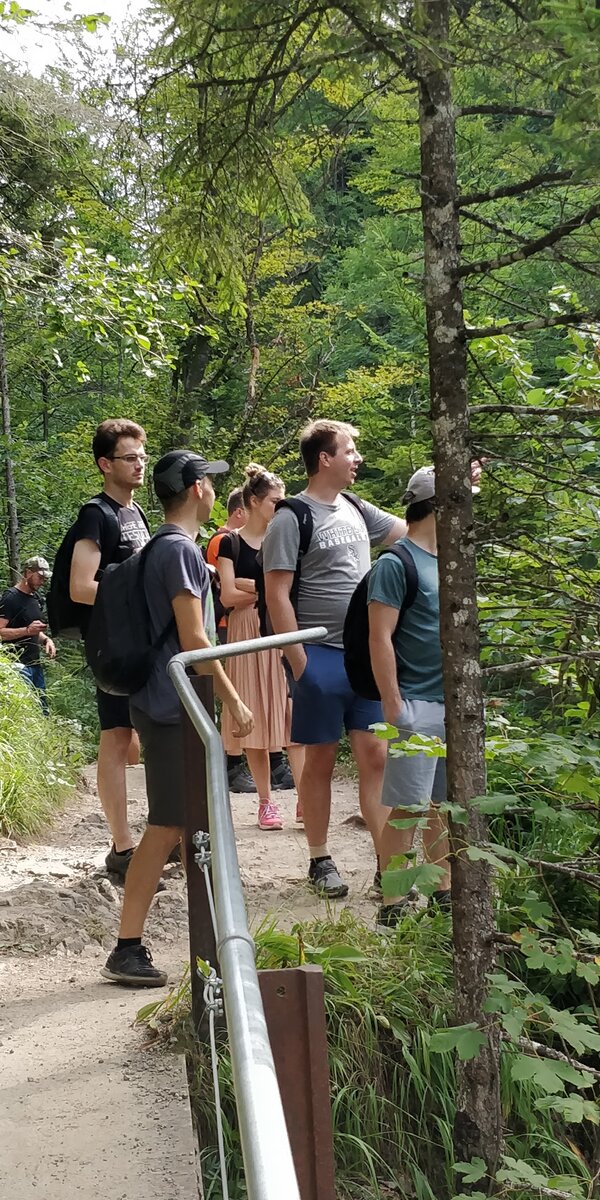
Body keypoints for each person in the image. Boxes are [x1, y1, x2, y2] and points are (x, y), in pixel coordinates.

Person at [102, 449, 253, 987]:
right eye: (208, 481)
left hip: (163, 699)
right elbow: (194, 638)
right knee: (167, 825)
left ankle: (217, 938)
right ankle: (126, 947)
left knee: (192, 823)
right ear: (195, 490)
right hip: (174, 704)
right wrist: (233, 700)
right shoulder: (180, 551)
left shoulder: (160, 547)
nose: (212, 490)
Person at [262, 419, 407, 898]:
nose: (357, 458)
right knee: (320, 759)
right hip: (318, 655)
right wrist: (299, 661)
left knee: (376, 756)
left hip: (364, 656)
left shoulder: (357, 508)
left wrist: (452, 488)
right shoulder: (291, 518)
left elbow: (413, 532)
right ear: (324, 458)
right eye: (349, 450)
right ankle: (319, 858)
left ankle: (387, 866)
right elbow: (276, 593)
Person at [368, 464, 481, 930]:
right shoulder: (396, 563)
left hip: (453, 708)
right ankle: (392, 905)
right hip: (416, 703)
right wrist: (395, 705)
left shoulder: (448, 559)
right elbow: (380, 637)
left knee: (443, 805)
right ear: (437, 504)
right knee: (408, 807)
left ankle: (442, 893)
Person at [69, 418, 150, 878]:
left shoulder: (136, 514)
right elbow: (81, 587)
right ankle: (122, 847)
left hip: (141, 645)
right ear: (105, 464)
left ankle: (156, 836)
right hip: (114, 648)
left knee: (142, 737)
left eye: (142, 456)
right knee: (116, 739)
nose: (139, 464)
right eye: (129, 457)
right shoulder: (96, 514)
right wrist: (140, 594)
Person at [218, 464, 304, 830]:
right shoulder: (230, 543)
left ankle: (304, 797)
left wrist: (249, 586)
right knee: (252, 711)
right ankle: (266, 802)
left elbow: (293, 589)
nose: (281, 507)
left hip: (280, 627)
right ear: (254, 501)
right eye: (275, 501)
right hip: (246, 633)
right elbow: (227, 595)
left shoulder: (283, 538)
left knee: (291, 711)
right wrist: (265, 590)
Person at [0, 557, 55, 712]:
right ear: (28, 573)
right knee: (23, 710)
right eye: (40, 577)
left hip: (35, 665)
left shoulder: (35, 599)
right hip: (15, 665)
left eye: (45, 578)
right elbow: (0, 632)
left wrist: (46, 640)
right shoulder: (10, 598)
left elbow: (35, 631)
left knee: (42, 710)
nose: (42, 581)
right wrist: (27, 630)